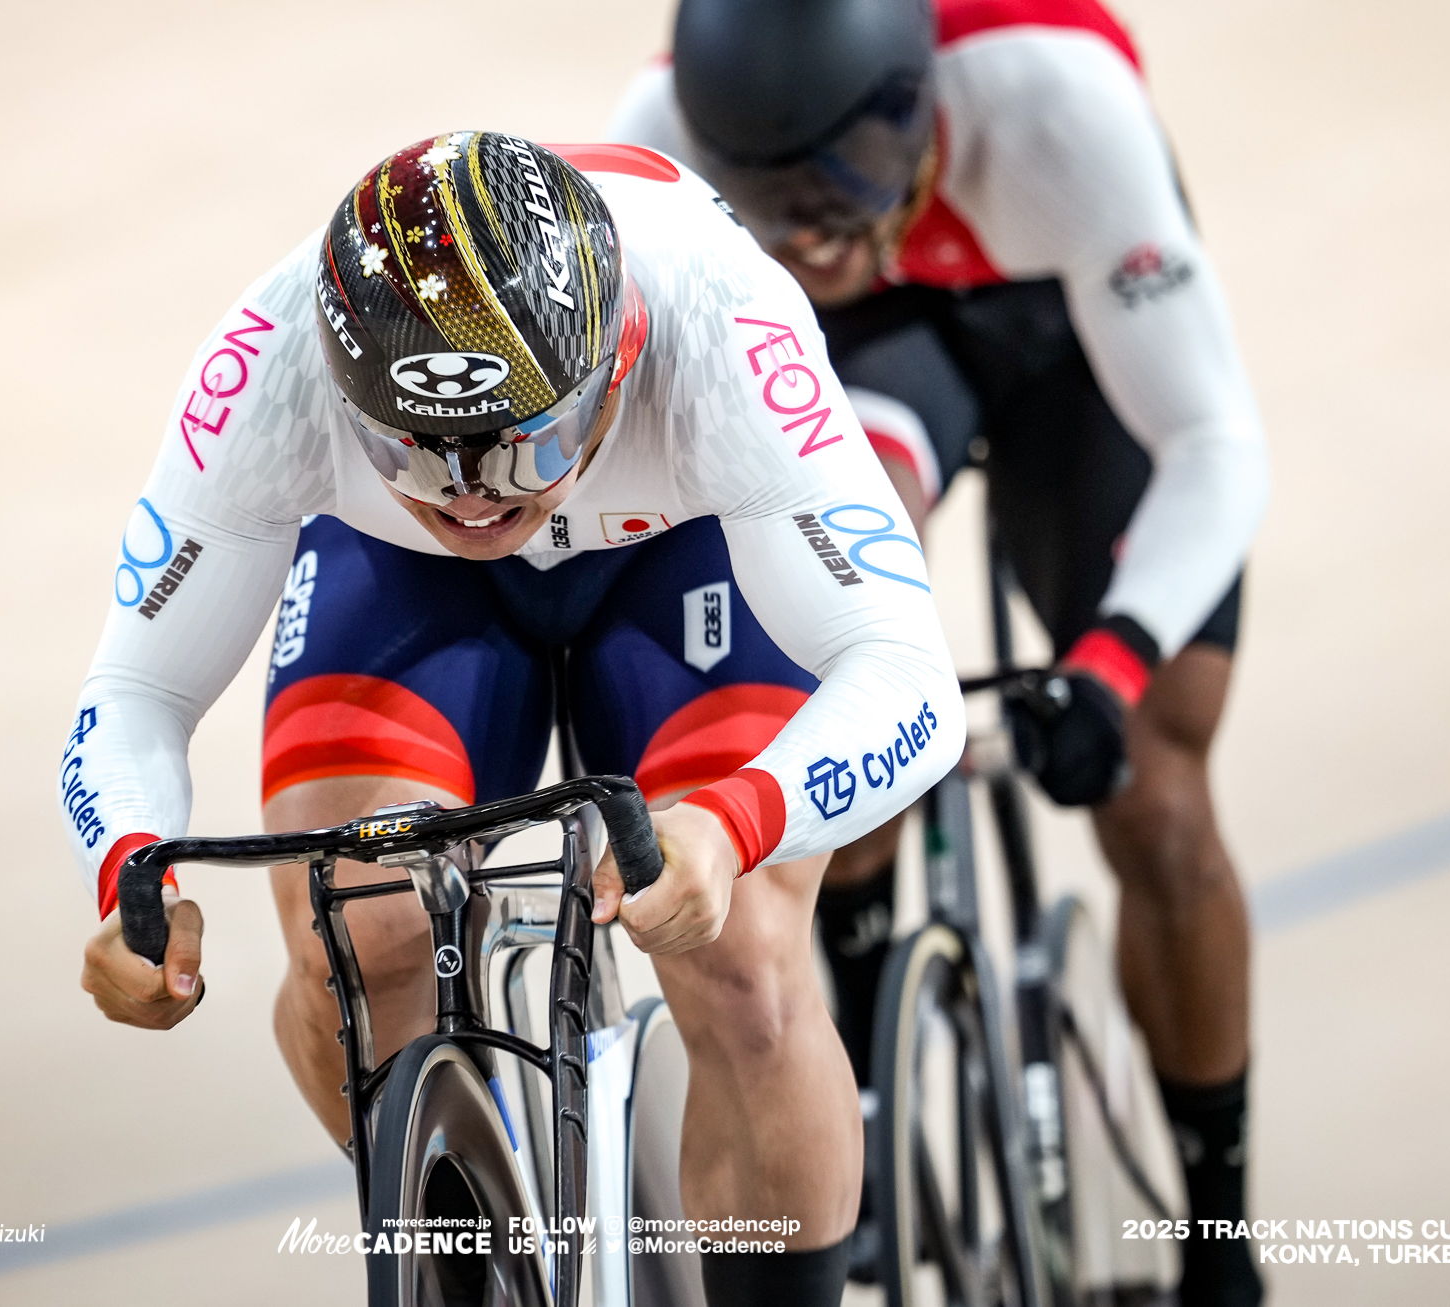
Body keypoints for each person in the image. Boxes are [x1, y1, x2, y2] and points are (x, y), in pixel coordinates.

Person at [63, 130, 965, 1304]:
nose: (474, 495)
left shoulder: (723, 327)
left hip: (678, 548)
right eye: (415, 451)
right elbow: (137, 686)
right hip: (401, 575)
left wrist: (735, 823)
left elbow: (909, 676)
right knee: (359, 940)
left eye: (524, 444)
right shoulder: (271, 361)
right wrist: (129, 876)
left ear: (617, 353)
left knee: (740, 954)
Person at [607, 1, 1270, 1302]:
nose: (803, 233)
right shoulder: (658, 138)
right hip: (868, 357)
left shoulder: (1058, 106)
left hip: (1063, 328)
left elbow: (1212, 443)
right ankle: (856, 1075)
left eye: (837, 192)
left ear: (920, 115)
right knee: (829, 685)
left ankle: (1220, 1237)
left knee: (1161, 791)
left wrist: (1114, 661)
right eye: (765, 203)